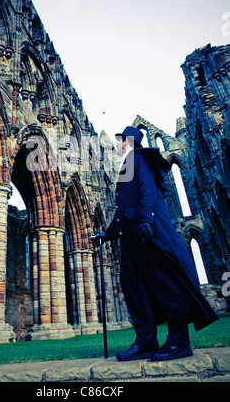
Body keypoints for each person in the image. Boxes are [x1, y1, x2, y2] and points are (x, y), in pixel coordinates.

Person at [94, 126, 218, 361]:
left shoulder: (139, 158)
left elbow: (147, 190)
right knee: (135, 288)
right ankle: (146, 341)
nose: (118, 144)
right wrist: (107, 234)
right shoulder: (127, 164)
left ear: (128, 141)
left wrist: (145, 221)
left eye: (120, 140)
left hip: (146, 234)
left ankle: (179, 342)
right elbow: (122, 209)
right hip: (131, 239)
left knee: (166, 283)